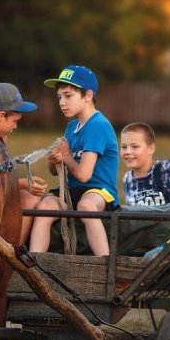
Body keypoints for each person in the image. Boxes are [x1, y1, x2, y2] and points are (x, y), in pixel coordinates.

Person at [28, 65, 119, 256]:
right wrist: (55, 159)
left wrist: (66, 156)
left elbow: (84, 175)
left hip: (99, 191)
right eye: (59, 97)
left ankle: (105, 262)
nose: (62, 102)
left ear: (87, 95)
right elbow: (55, 171)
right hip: (72, 191)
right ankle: (34, 262)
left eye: (68, 96)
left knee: (86, 206)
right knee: (44, 206)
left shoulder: (97, 125)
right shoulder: (72, 126)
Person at [0, 82, 48, 244]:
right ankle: (9, 253)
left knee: (30, 199)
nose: (15, 127)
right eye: (14, 121)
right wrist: (23, 183)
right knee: (29, 197)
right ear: (1, 116)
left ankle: (14, 250)